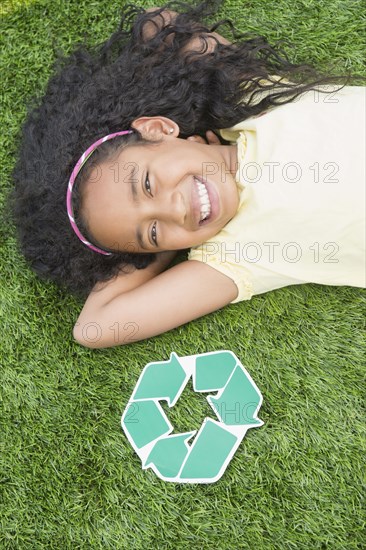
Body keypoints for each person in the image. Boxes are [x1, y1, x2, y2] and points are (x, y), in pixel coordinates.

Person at [12, 2, 365, 348]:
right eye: (152, 231)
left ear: (158, 128)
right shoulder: (237, 252)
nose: (174, 210)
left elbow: (161, 23)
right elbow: (94, 327)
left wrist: (190, 131)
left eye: (147, 185)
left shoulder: (259, 100)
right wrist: (164, 246)